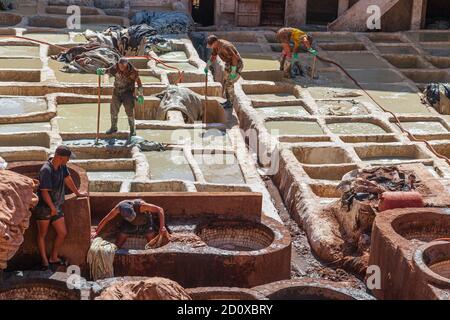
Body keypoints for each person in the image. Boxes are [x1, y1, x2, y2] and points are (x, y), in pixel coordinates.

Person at [34, 145, 88, 271]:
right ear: (60, 157)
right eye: (67, 158)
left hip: (56, 206)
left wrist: (78, 193)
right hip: (44, 208)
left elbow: (68, 179)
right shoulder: (46, 170)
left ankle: (53, 257)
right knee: (42, 234)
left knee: (62, 233)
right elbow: (44, 192)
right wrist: (52, 207)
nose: (68, 160)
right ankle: (44, 261)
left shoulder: (62, 166)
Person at [96, 58, 144, 138]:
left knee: (129, 112)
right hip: (117, 92)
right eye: (120, 65)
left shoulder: (132, 71)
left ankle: (132, 130)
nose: (121, 67)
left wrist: (140, 94)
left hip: (128, 93)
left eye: (123, 66)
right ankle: (113, 127)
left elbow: (139, 82)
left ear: (126, 65)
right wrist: (102, 71)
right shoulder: (115, 68)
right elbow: (108, 70)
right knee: (113, 111)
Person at [91, 199, 168, 248]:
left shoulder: (141, 206)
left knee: (151, 238)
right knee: (121, 237)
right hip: (130, 224)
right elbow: (106, 219)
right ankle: (116, 251)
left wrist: (162, 227)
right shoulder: (118, 208)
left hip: (145, 222)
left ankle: (152, 252)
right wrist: (96, 232)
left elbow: (160, 209)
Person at [204, 35, 243, 109]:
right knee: (226, 81)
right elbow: (213, 56)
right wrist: (207, 65)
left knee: (229, 83)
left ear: (215, 42)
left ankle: (230, 103)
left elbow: (234, 58)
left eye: (211, 45)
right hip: (229, 63)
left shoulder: (226, 46)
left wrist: (233, 71)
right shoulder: (216, 46)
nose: (211, 47)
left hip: (236, 64)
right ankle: (228, 101)